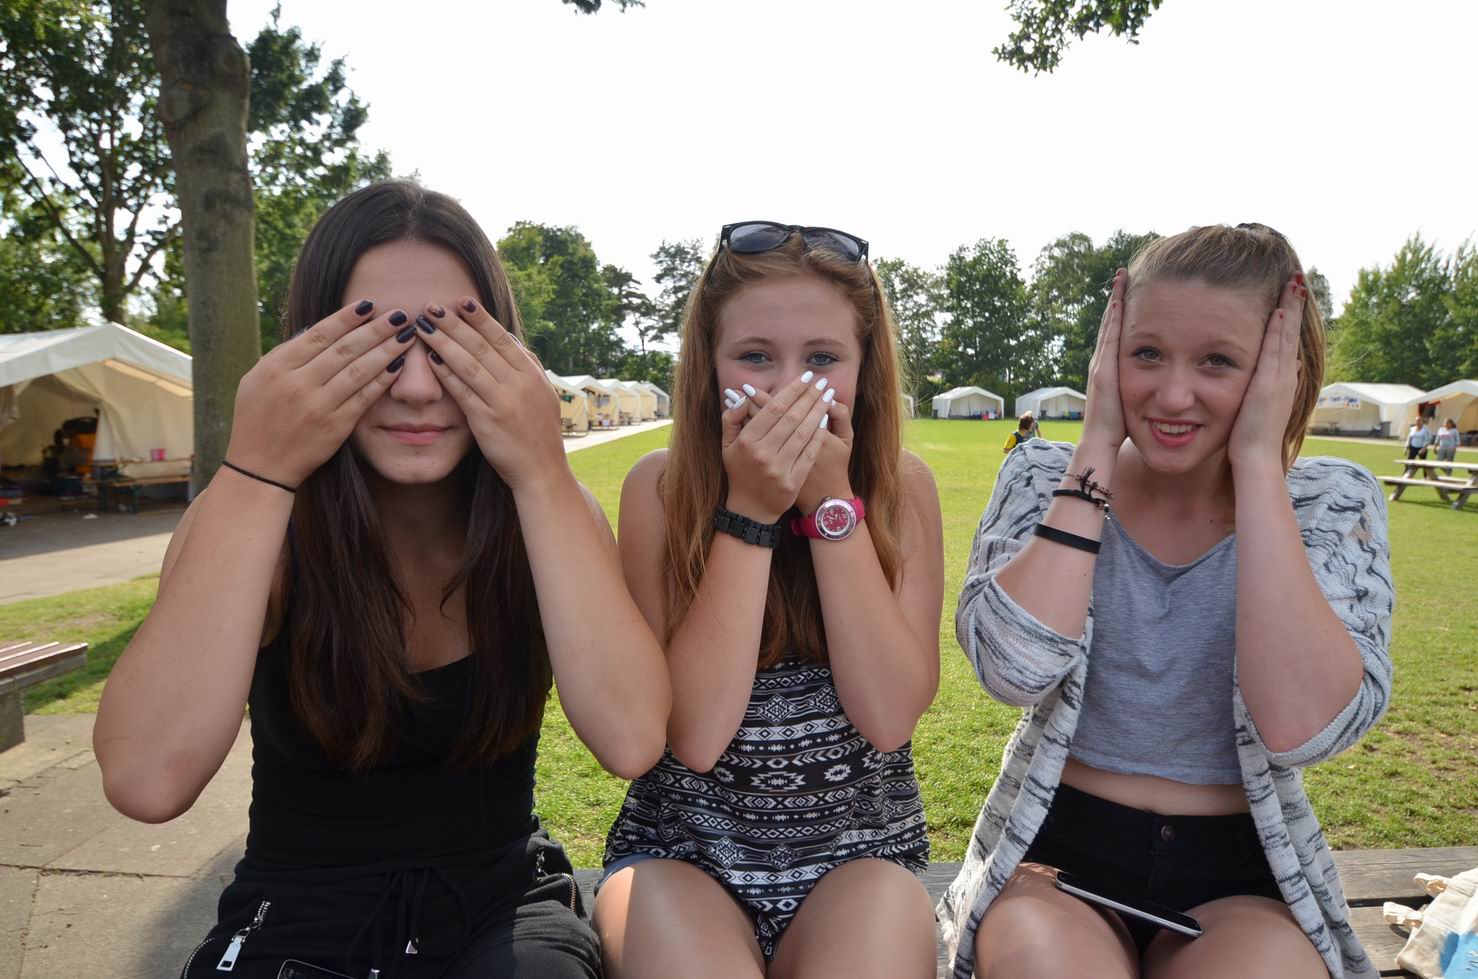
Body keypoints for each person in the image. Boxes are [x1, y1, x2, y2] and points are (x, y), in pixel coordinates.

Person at [92, 181, 671, 978]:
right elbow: (147, 778)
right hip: (296, 908)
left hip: (503, 906)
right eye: (376, 345)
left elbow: (631, 739)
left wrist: (540, 471)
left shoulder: (545, 513)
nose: (417, 387)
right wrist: (258, 469)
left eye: (451, 343)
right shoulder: (258, 520)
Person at [939, 224, 1394, 979]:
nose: (1173, 393)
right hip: (1058, 855)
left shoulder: (1329, 500)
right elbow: (1012, 670)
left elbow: (1299, 728)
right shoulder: (1041, 476)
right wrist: (1095, 445)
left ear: (1280, 370)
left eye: (1218, 360)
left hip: (1240, 873)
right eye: (1146, 353)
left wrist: (1258, 464)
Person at [593, 221, 945, 979]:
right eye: (755, 357)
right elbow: (694, 736)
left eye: (822, 359)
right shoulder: (660, 489)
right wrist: (749, 514)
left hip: (860, 857)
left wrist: (831, 507)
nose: (789, 388)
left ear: (864, 368)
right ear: (708, 363)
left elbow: (889, 717)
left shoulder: (903, 487)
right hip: (683, 854)